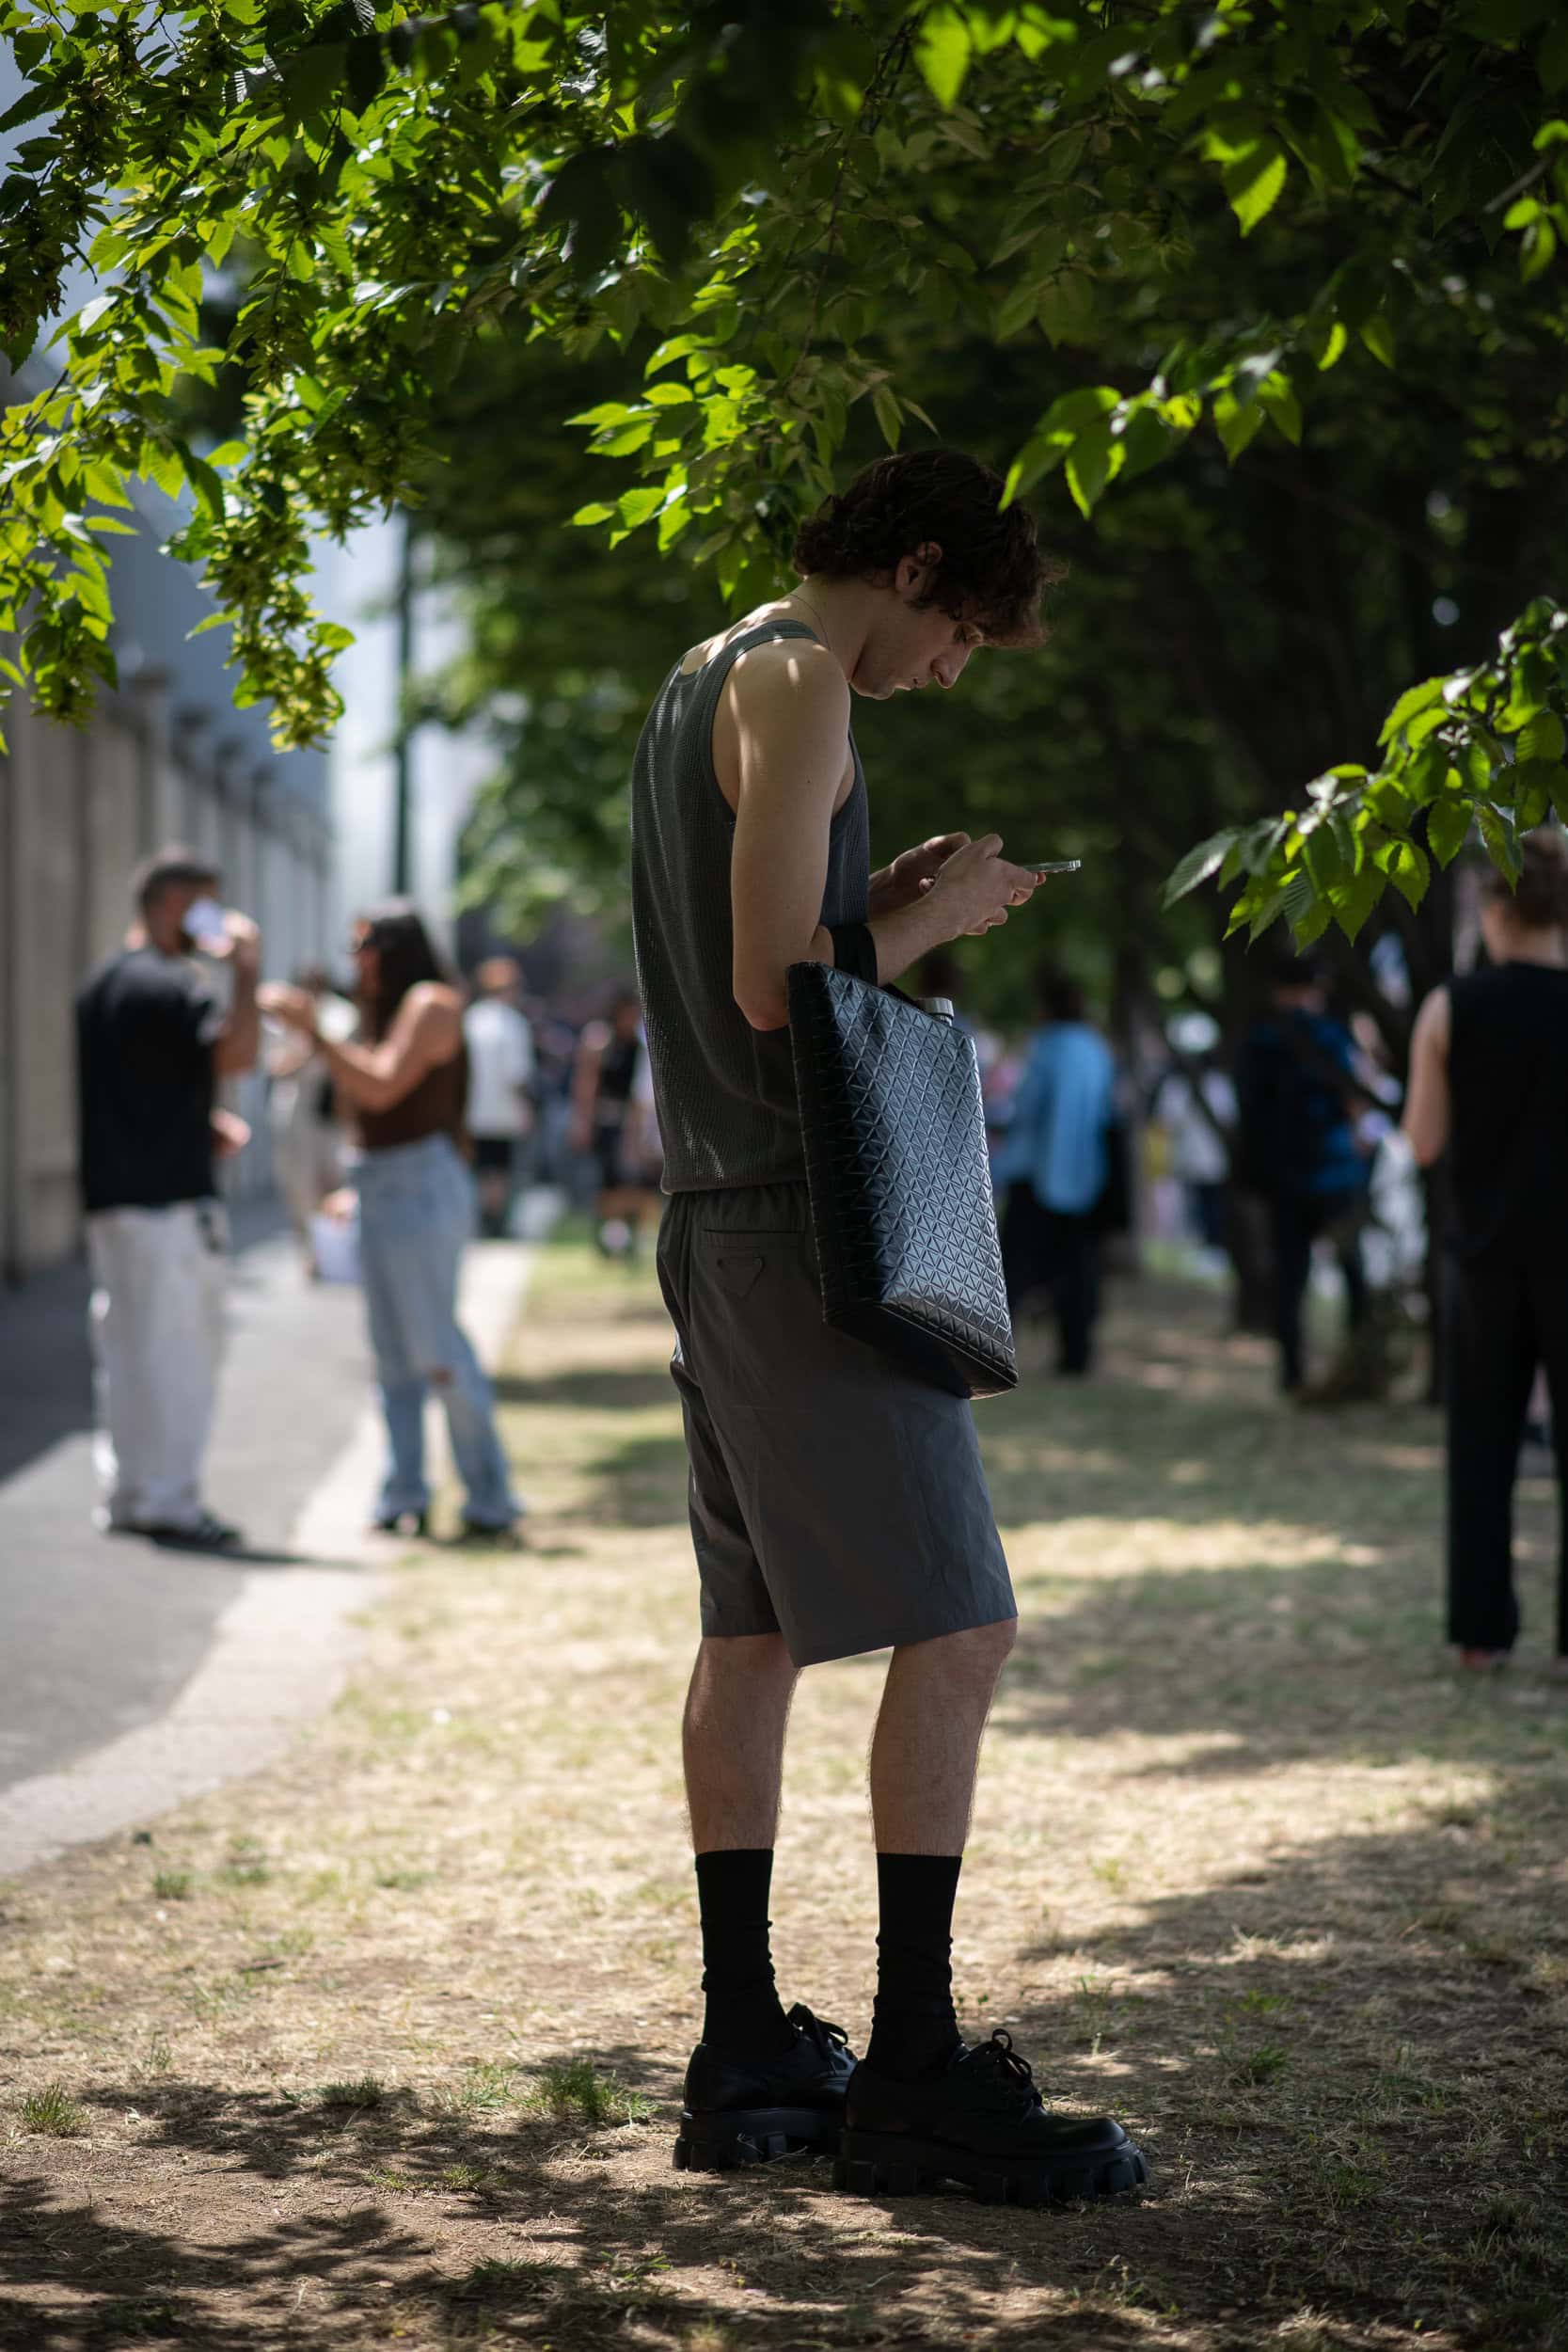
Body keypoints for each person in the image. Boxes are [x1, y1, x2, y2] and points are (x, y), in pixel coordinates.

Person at [632, 448, 1145, 2205]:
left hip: (714, 1216)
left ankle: (746, 2048)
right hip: (803, 1220)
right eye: (964, 633)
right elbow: (774, 986)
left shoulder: (703, 669)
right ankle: (914, 2069)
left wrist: (888, 896)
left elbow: (765, 948)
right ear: (916, 567)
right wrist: (943, 913)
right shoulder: (796, 679)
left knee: (753, 1634)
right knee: (965, 1625)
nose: (951, 671)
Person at [260, 903, 522, 1542]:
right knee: (393, 1358)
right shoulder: (373, 1012)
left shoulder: (432, 1003)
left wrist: (317, 1033)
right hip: (380, 1182)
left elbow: (380, 1086)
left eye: (365, 947)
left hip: (421, 1184)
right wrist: (349, 1183)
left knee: (437, 1351)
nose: (356, 962)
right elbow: (359, 1107)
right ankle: (403, 1495)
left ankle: (489, 1498)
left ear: (394, 949)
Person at [1402, 830, 1568, 1676]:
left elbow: (1422, 1141)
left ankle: (1481, 1635)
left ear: (1494, 905)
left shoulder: (1450, 1007)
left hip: (1484, 1256)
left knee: (1481, 1449)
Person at [75, 845, 261, 1547]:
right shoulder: (171, 982)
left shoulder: (105, 982)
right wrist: (247, 968)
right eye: (207, 904)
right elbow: (238, 1054)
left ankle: (130, 1491)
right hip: (168, 1205)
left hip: (114, 1198)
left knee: (126, 1352)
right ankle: (171, 1501)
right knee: (180, 1355)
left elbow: (136, 1087)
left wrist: (196, 1121)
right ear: (176, 905)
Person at [1234, 953, 1370, 1393]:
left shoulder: (1260, 1041)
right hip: (1336, 1172)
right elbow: (1355, 1099)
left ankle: (1292, 1372)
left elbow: (1249, 1111)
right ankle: (1361, 1362)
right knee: (1352, 1270)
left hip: (1284, 1179)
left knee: (1290, 1279)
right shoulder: (1332, 1034)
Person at [992, 969, 1119, 1375]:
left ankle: (993, 1349)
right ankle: (1076, 1355)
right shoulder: (1097, 1050)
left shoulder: (1045, 1047)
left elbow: (1027, 1106)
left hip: (1036, 1173)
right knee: (1079, 1270)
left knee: (1013, 1269)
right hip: (1087, 1175)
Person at [265, 964, 356, 1276]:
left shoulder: (341, 1014)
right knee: (298, 1185)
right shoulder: (282, 1018)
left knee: (335, 1181)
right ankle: (311, 1250)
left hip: (330, 1112)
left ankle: (336, 1250)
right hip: (295, 1112)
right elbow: (276, 1064)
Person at [568, 989, 658, 1258]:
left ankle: (627, 1238)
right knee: (606, 1182)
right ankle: (604, 1239)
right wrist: (583, 1123)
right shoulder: (600, 1041)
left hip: (630, 1122)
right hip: (604, 1122)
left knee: (631, 1182)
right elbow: (587, 1085)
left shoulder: (638, 1045)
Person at [463, 956, 535, 1239]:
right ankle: (494, 1223)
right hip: (505, 1113)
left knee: (480, 1169)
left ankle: (481, 1220)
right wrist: (527, 1109)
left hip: (472, 1112)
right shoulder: (513, 1024)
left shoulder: (471, 1020)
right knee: (499, 1171)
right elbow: (517, 1074)